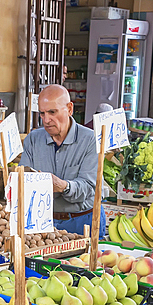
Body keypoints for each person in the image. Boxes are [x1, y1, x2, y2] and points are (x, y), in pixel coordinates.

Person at [19, 84, 106, 237]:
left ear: (69, 109)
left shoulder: (91, 140)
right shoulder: (33, 139)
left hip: (82, 221)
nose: (46, 120)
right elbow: (24, 178)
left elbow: (89, 187)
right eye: (42, 113)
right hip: (44, 224)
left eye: (52, 112)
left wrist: (63, 186)